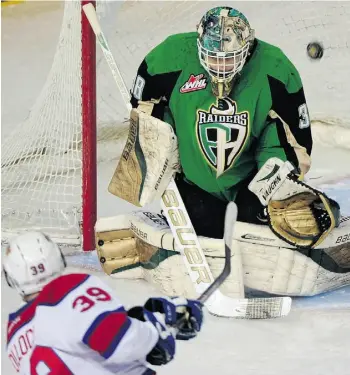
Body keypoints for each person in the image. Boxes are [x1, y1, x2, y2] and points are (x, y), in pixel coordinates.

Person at [128, 6, 318, 240]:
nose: (220, 67)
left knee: (257, 233)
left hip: (252, 180)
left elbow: (296, 142)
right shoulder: (170, 56)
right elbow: (143, 105)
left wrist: (274, 187)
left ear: (246, 48)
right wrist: (162, 152)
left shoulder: (277, 69)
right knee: (204, 227)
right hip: (194, 181)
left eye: (229, 59)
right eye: (213, 58)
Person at [3, 231, 203, 375]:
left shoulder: (14, 333)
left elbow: (79, 349)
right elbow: (121, 342)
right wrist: (156, 331)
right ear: (57, 258)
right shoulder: (66, 290)